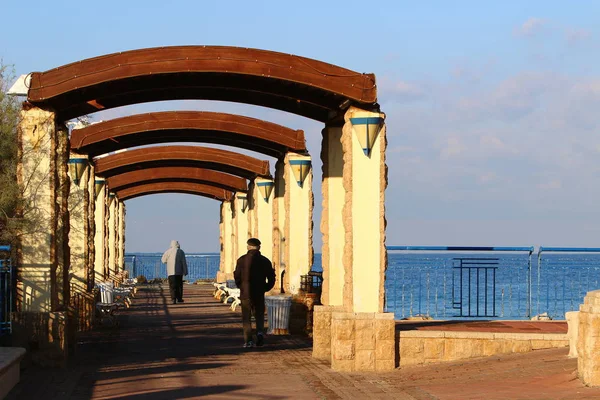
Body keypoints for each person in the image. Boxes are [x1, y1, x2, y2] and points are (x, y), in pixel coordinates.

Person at [234, 238, 275, 348]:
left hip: (246, 293)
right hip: (259, 292)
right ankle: (260, 333)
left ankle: (248, 340)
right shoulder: (265, 261)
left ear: (248, 247)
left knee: (246, 317)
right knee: (259, 315)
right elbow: (271, 278)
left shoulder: (241, 260)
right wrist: (265, 288)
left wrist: (241, 287)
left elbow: (237, 276)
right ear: (259, 247)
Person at [161, 240, 188, 304]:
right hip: (179, 272)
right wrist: (185, 271)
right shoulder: (181, 252)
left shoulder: (168, 252)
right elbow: (184, 262)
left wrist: (168, 261)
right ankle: (179, 298)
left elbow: (163, 260)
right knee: (179, 286)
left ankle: (173, 299)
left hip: (170, 272)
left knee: (172, 286)